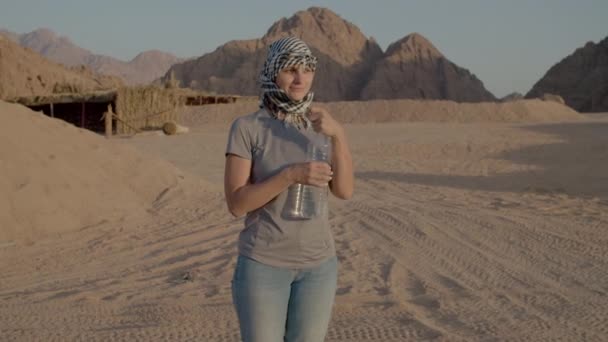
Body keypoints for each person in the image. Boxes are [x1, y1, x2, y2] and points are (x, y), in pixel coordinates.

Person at [223, 36, 354, 342]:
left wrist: (340, 136)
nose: (300, 78)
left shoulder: (322, 126)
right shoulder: (247, 127)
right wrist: (292, 174)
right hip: (263, 267)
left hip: (319, 268)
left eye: (307, 70)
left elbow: (345, 191)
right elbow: (237, 203)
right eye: (290, 69)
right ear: (273, 72)